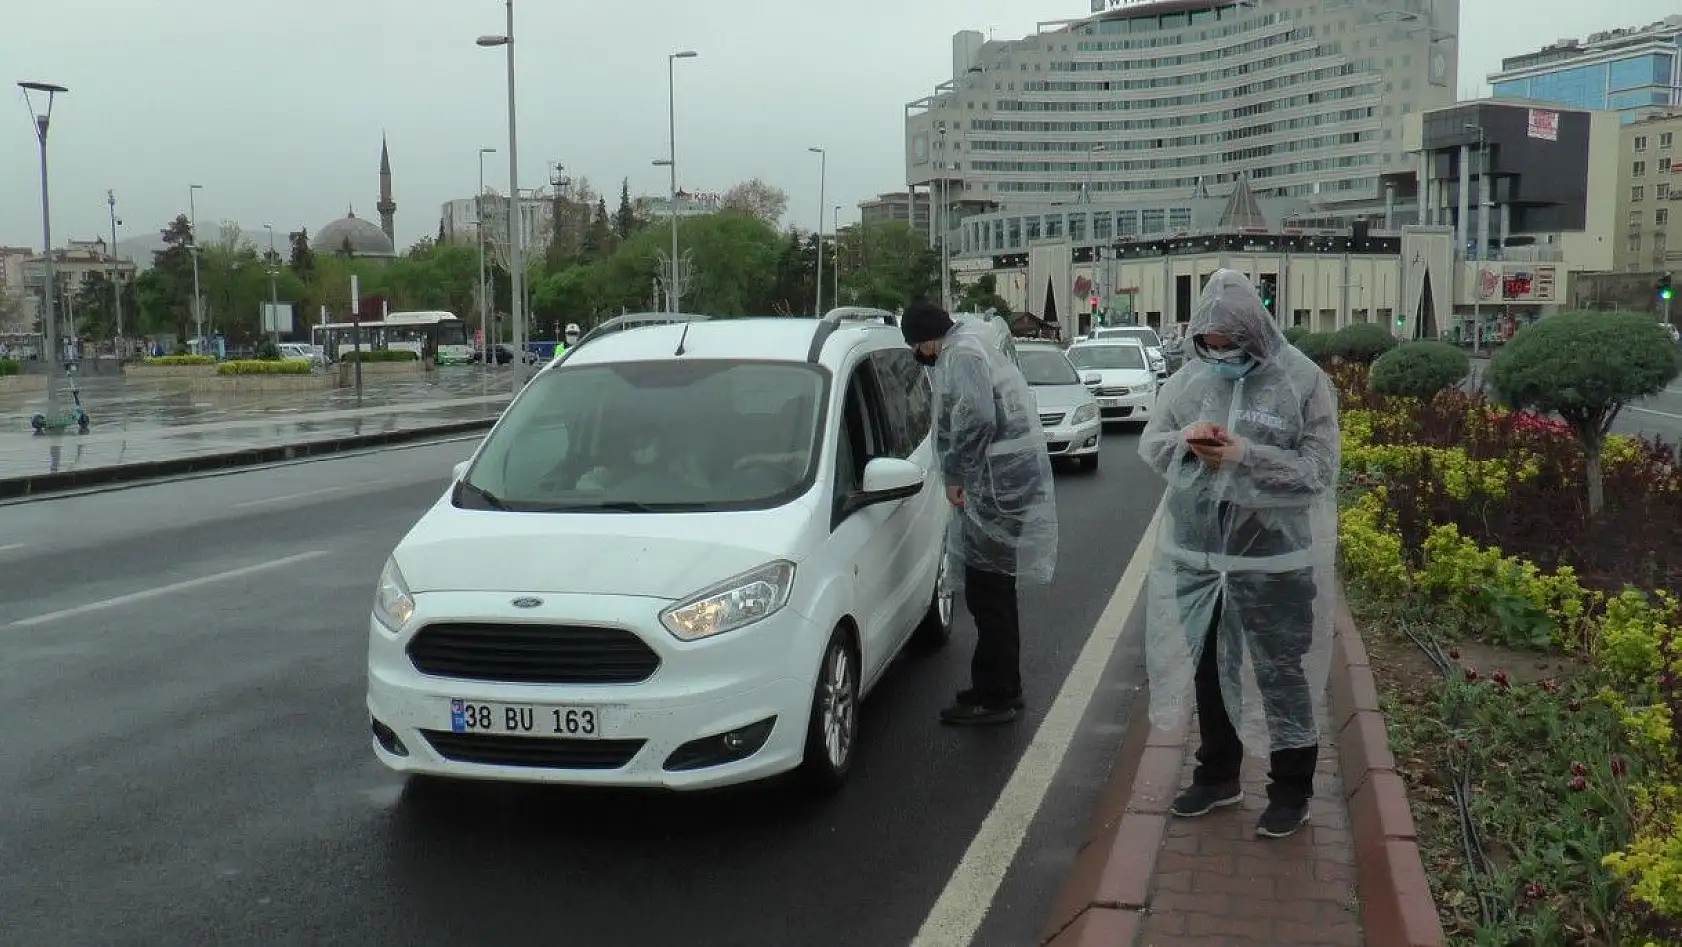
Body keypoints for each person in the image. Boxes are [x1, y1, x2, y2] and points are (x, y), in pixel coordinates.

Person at [1136, 268, 1340, 839]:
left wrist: (1246, 457)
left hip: (1275, 561)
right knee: (1209, 669)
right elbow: (1152, 445)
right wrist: (1186, 444)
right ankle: (1218, 775)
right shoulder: (1190, 380)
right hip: (1199, 558)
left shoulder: (1304, 381)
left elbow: (1319, 474)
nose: (1220, 356)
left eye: (1230, 347)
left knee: (1281, 674)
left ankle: (1291, 791)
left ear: (1255, 332)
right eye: (1211, 346)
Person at [900, 300, 1058, 726]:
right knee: (991, 591)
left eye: (918, 347)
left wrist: (955, 472)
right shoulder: (972, 343)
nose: (921, 356)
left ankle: (999, 696)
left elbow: (977, 418)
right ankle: (997, 684)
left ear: (928, 338)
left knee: (989, 594)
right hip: (1003, 484)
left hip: (995, 488)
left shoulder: (961, 355)